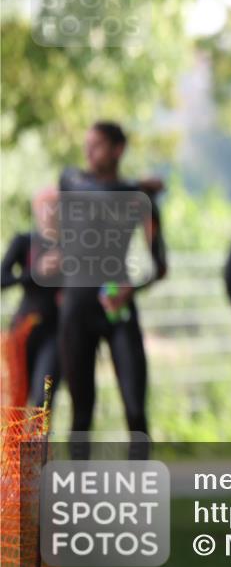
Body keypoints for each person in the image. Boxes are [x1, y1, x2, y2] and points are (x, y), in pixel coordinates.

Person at [58, 121, 168, 459]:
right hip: (76, 310)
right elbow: (97, 194)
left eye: (99, 145)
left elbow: (159, 264)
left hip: (117, 310)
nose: (89, 151)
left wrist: (129, 290)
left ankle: (141, 496)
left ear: (118, 150)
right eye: (87, 144)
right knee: (81, 412)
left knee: (135, 407)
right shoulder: (72, 181)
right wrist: (138, 187)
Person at [1, 187, 62, 407]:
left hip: (55, 331)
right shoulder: (23, 242)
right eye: (45, 208)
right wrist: (35, 273)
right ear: (36, 210)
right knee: (16, 398)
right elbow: (3, 278)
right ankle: (14, 443)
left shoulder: (71, 246)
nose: (50, 213)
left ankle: (38, 442)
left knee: (43, 397)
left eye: (55, 208)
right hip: (23, 329)